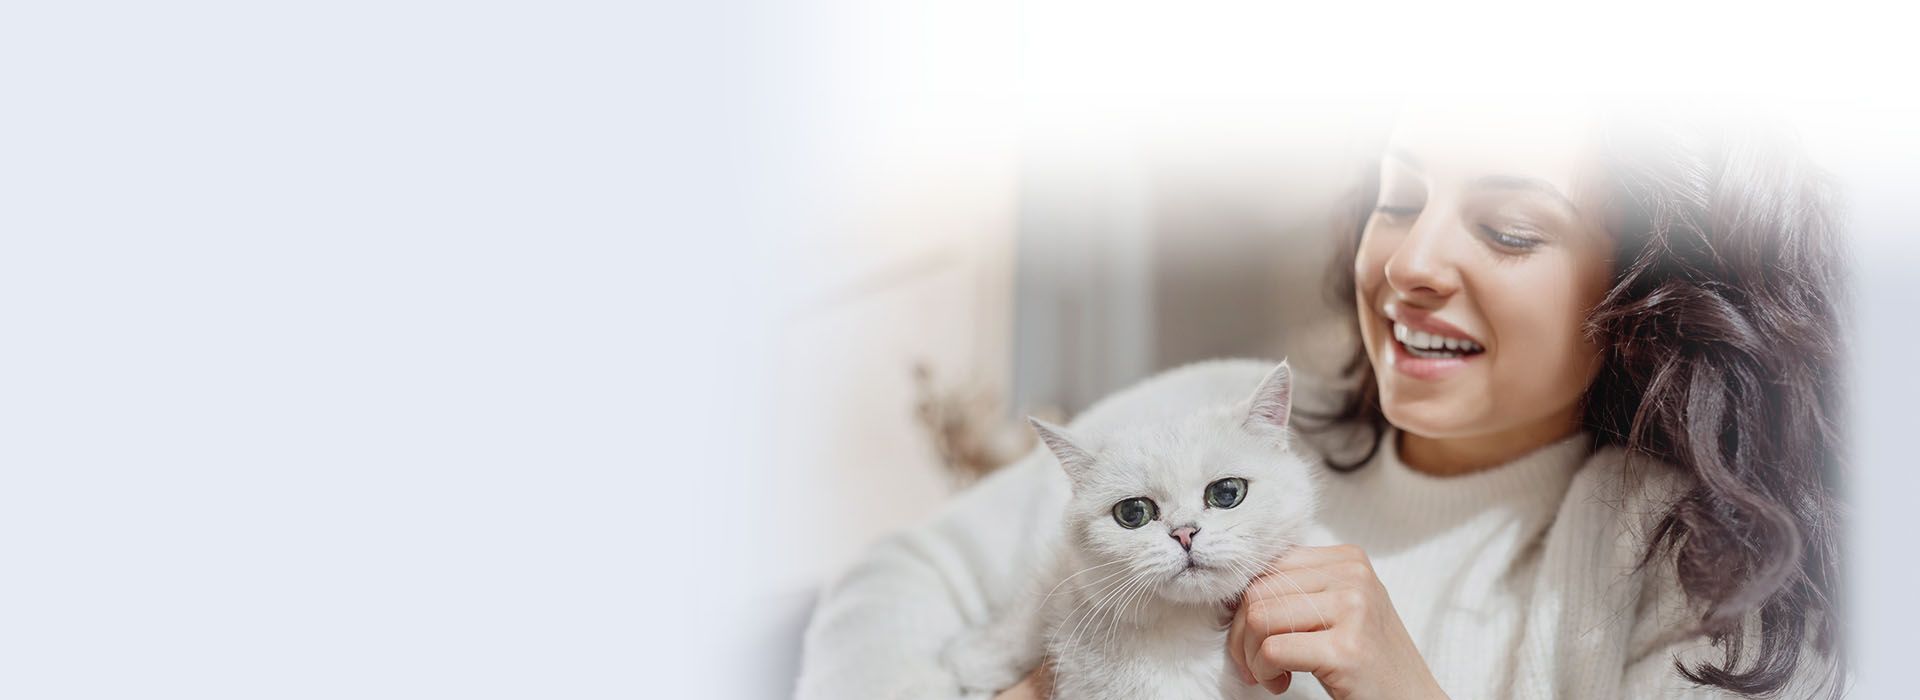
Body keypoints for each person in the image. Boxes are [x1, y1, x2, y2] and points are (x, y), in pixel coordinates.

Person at [795, 101, 1848, 699]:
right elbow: (892, 581)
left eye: (1511, 229)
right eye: (1398, 200)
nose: (1411, 260)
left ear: (1645, 296)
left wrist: (1402, 687)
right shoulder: (1216, 419)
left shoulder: (1712, 577)